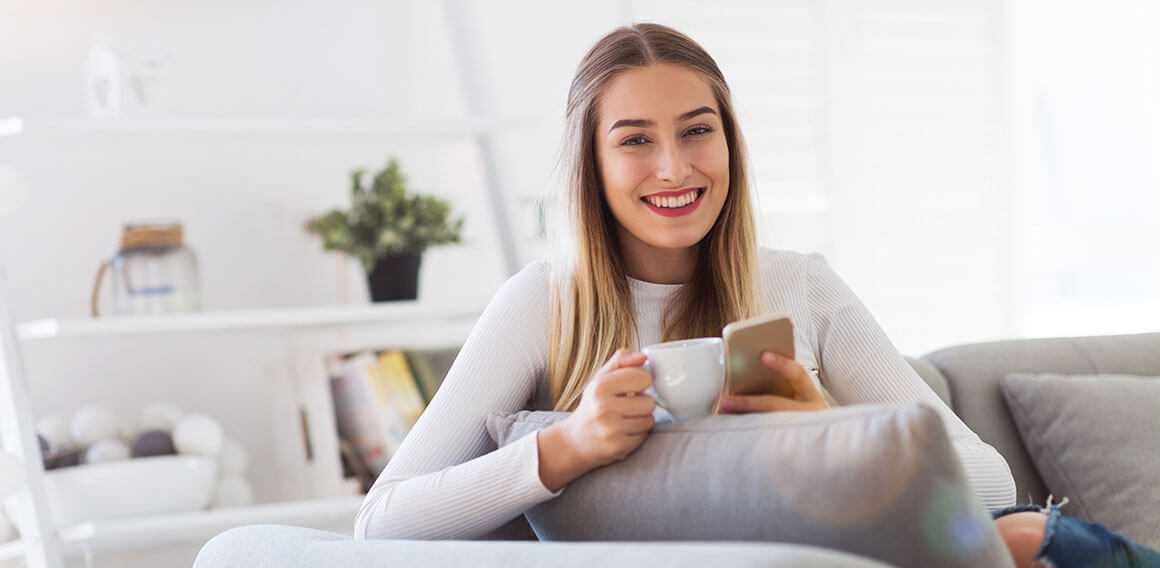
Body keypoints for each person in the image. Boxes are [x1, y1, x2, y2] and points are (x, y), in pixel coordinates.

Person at [355, 23, 1160, 568]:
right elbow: (379, 524)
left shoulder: (797, 285)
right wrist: (571, 447)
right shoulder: (543, 305)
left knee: (1024, 539)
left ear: (728, 142)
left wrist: (835, 429)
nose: (675, 168)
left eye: (698, 130)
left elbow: (988, 484)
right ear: (591, 166)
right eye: (635, 140)